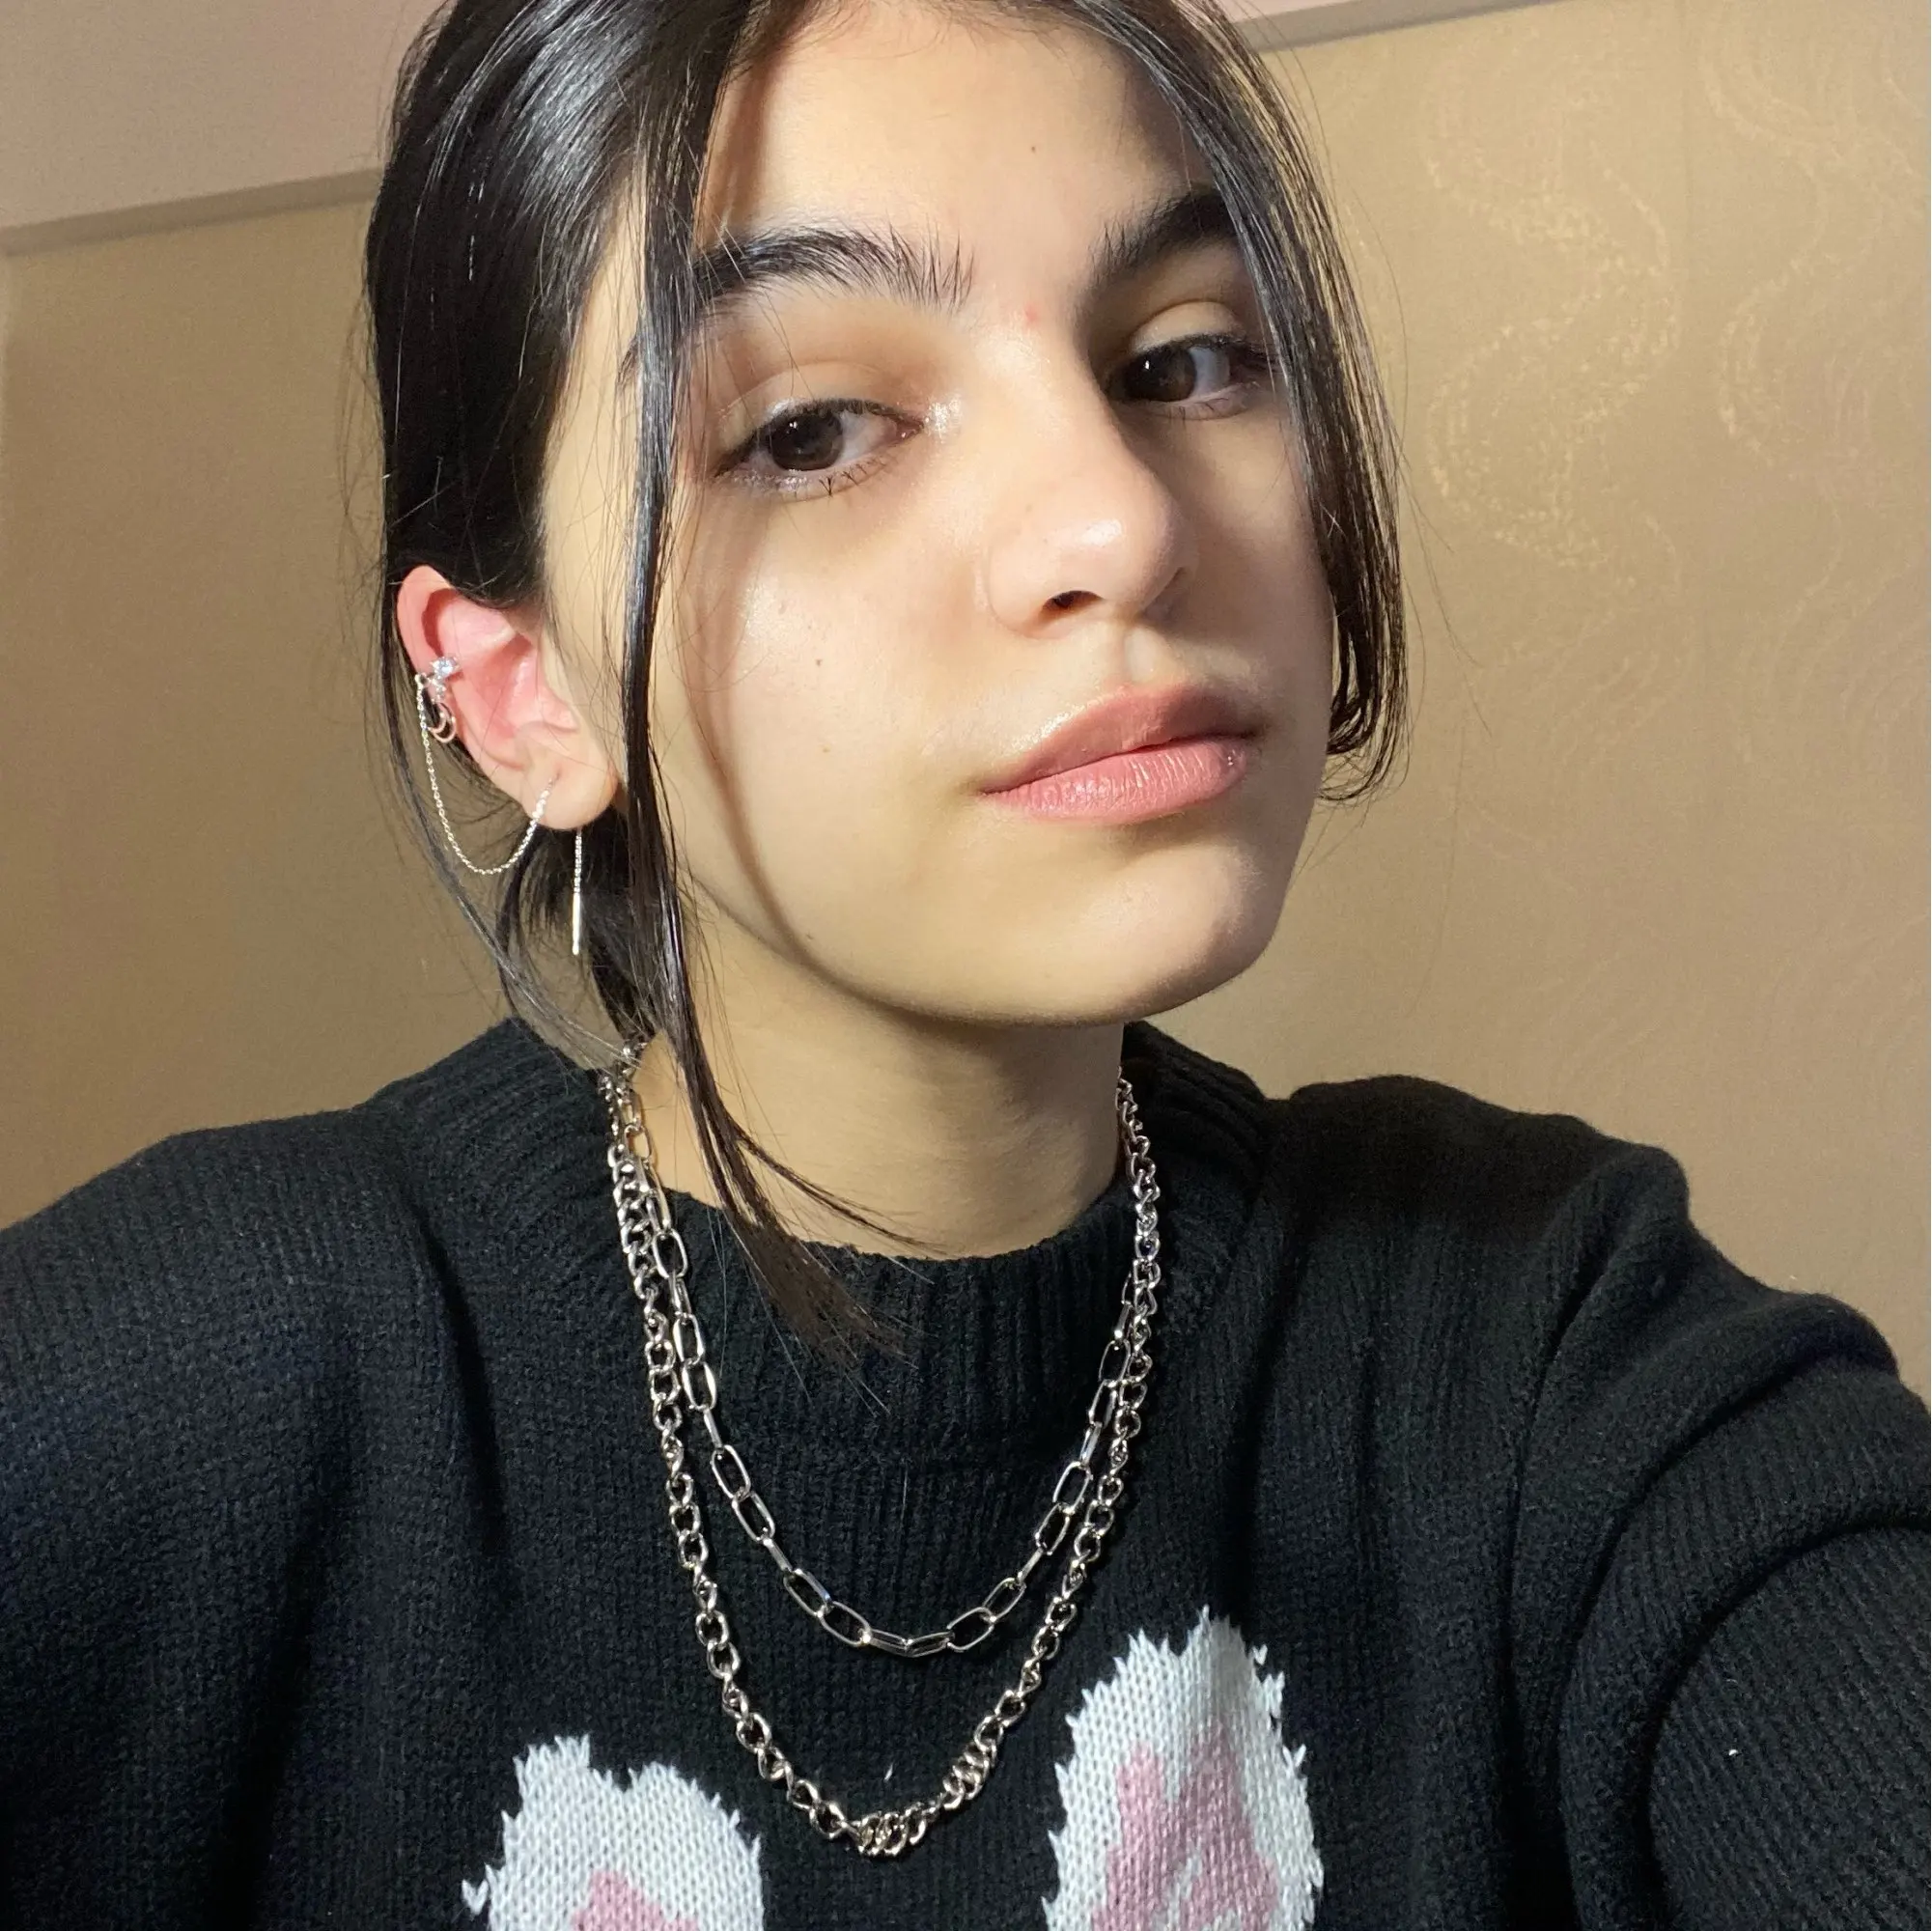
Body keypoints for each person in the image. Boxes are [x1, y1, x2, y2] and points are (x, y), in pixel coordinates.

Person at [0, 0, 1923, 1923]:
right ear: (521, 695)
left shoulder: (1547, 1349)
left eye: (1181, 360)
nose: (1124, 520)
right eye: (814, 429)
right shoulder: (182, 1383)